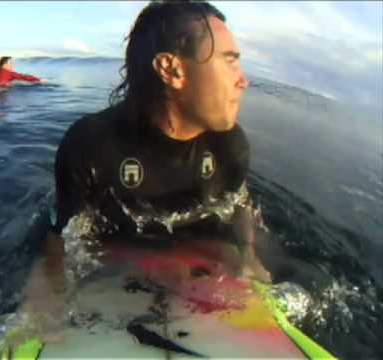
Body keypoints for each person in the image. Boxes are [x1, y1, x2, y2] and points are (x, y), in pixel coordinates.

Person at [46, 0, 271, 289]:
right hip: (117, 267)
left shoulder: (230, 145)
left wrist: (248, 253)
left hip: (199, 251)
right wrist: (48, 307)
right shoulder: (90, 146)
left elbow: (239, 203)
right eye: (229, 61)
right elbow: (63, 241)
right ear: (172, 69)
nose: (243, 81)